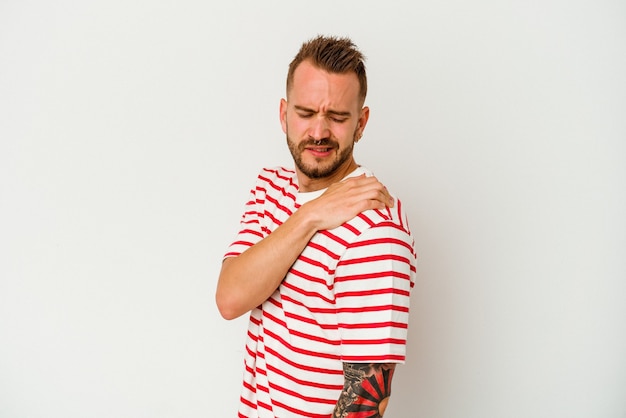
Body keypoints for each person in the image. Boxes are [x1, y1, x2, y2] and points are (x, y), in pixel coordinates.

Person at [216, 35, 417, 418]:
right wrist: (312, 214)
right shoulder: (270, 188)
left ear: (361, 122)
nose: (319, 132)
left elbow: (364, 405)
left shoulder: (376, 234)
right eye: (306, 113)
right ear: (283, 114)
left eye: (338, 117)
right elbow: (230, 298)